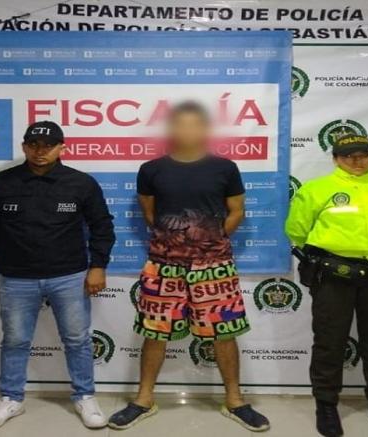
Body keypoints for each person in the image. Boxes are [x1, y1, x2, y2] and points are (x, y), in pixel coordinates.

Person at [108, 102, 269, 432]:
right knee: (154, 332)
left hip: (215, 266)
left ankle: (235, 400)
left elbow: (237, 210)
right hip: (163, 266)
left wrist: (212, 240)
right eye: (181, 124)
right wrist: (176, 242)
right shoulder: (151, 169)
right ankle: (144, 399)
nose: (188, 131)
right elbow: (150, 213)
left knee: (224, 332)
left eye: (195, 124)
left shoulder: (225, 168)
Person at [0, 121, 116, 430]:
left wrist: (98, 266)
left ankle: (85, 395)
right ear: (24, 147)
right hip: (17, 277)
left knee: (76, 339)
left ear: (62, 148)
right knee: (15, 340)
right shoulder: (2, 182)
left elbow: (102, 227)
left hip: (70, 276)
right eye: (33, 144)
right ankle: (11, 398)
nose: (40, 151)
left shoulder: (81, 183)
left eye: (48, 145)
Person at [285, 134, 368, 437]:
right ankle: (326, 405)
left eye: (364, 155)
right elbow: (296, 231)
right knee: (329, 341)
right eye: (349, 156)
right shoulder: (315, 189)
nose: (357, 161)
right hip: (334, 276)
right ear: (335, 159)